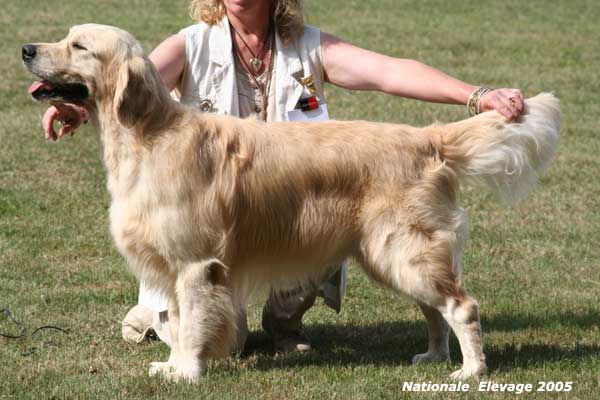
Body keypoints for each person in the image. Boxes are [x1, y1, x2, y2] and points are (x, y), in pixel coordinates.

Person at [42, 0, 524, 353]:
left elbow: (389, 72)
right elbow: (124, 83)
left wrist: (475, 96)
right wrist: (76, 108)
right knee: (220, 343)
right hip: (213, 220)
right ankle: (171, 317)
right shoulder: (192, 44)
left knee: (318, 224)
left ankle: (285, 325)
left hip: (296, 205)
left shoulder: (308, 45)